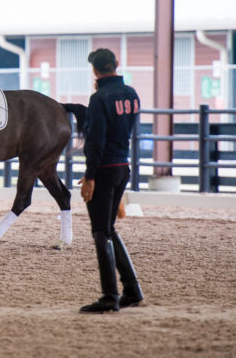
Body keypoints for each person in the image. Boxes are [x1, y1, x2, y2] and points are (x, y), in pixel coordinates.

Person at [78, 48, 144, 313]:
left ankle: (109, 296)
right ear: (116, 65)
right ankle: (132, 289)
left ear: (95, 70)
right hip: (122, 166)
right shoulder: (131, 94)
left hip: (104, 169)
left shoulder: (99, 98)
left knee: (100, 231)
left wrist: (89, 176)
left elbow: (96, 141)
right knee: (108, 229)